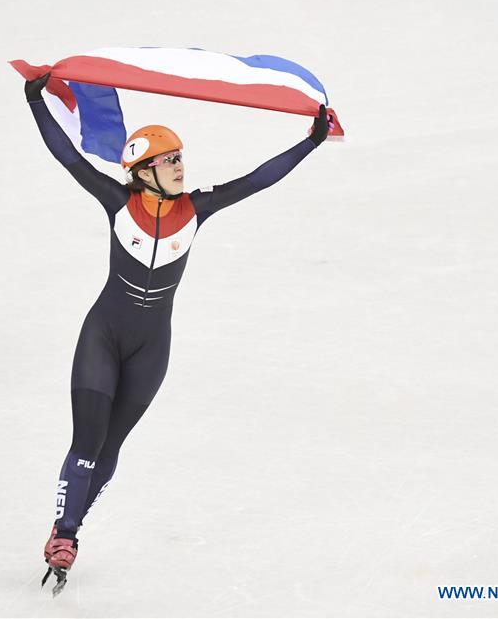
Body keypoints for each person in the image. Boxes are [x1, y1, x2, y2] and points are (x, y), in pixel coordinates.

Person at [23, 72, 329, 586]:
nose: (180, 167)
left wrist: (311, 141)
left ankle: (69, 528)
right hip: (103, 336)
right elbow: (66, 156)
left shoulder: (197, 209)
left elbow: (258, 179)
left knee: (111, 448)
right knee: (86, 441)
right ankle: (65, 533)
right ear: (143, 171)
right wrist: (35, 100)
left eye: (181, 157)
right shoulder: (117, 202)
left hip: (151, 350)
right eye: (169, 160)